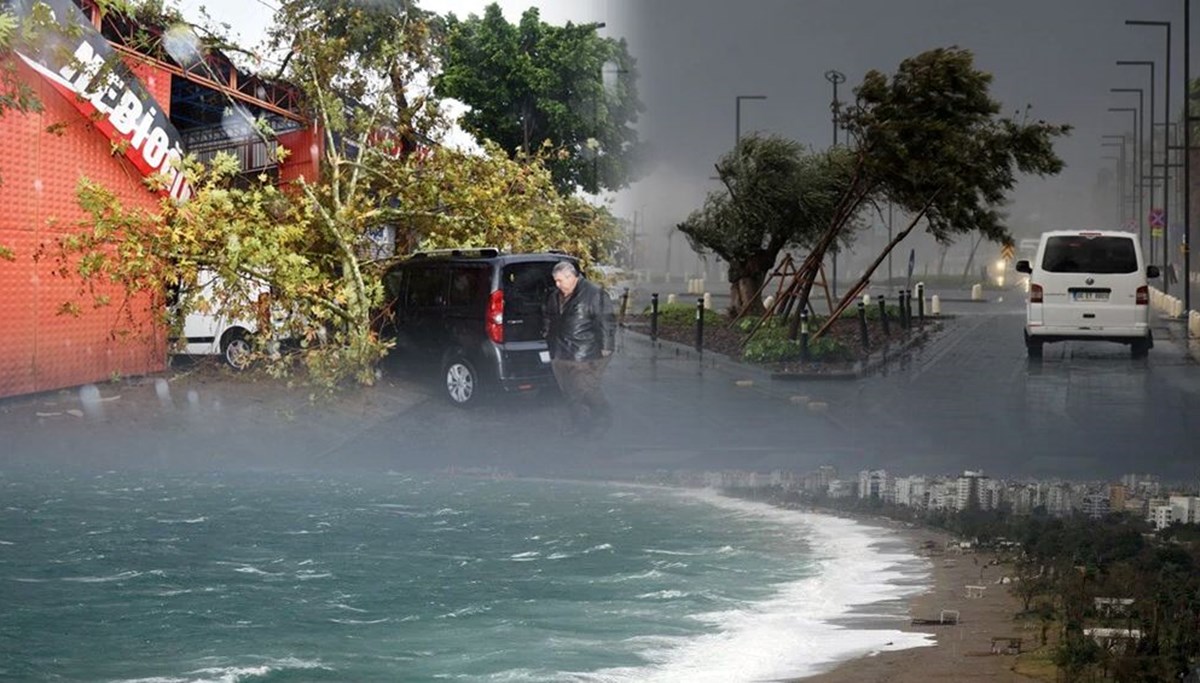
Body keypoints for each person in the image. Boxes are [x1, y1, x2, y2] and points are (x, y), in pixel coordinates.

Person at [544, 260, 616, 435]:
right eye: (555, 281)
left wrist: (606, 347)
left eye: (560, 280)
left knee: (585, 389)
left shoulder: (594, 294)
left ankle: (603, 417)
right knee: (569, 392)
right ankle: (579, 425)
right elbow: (548, 318)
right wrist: (547, 337)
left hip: (585, 353)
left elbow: (607, 322)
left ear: (572, 277)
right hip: (559, 353)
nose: (557, 284)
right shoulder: (554, 296)